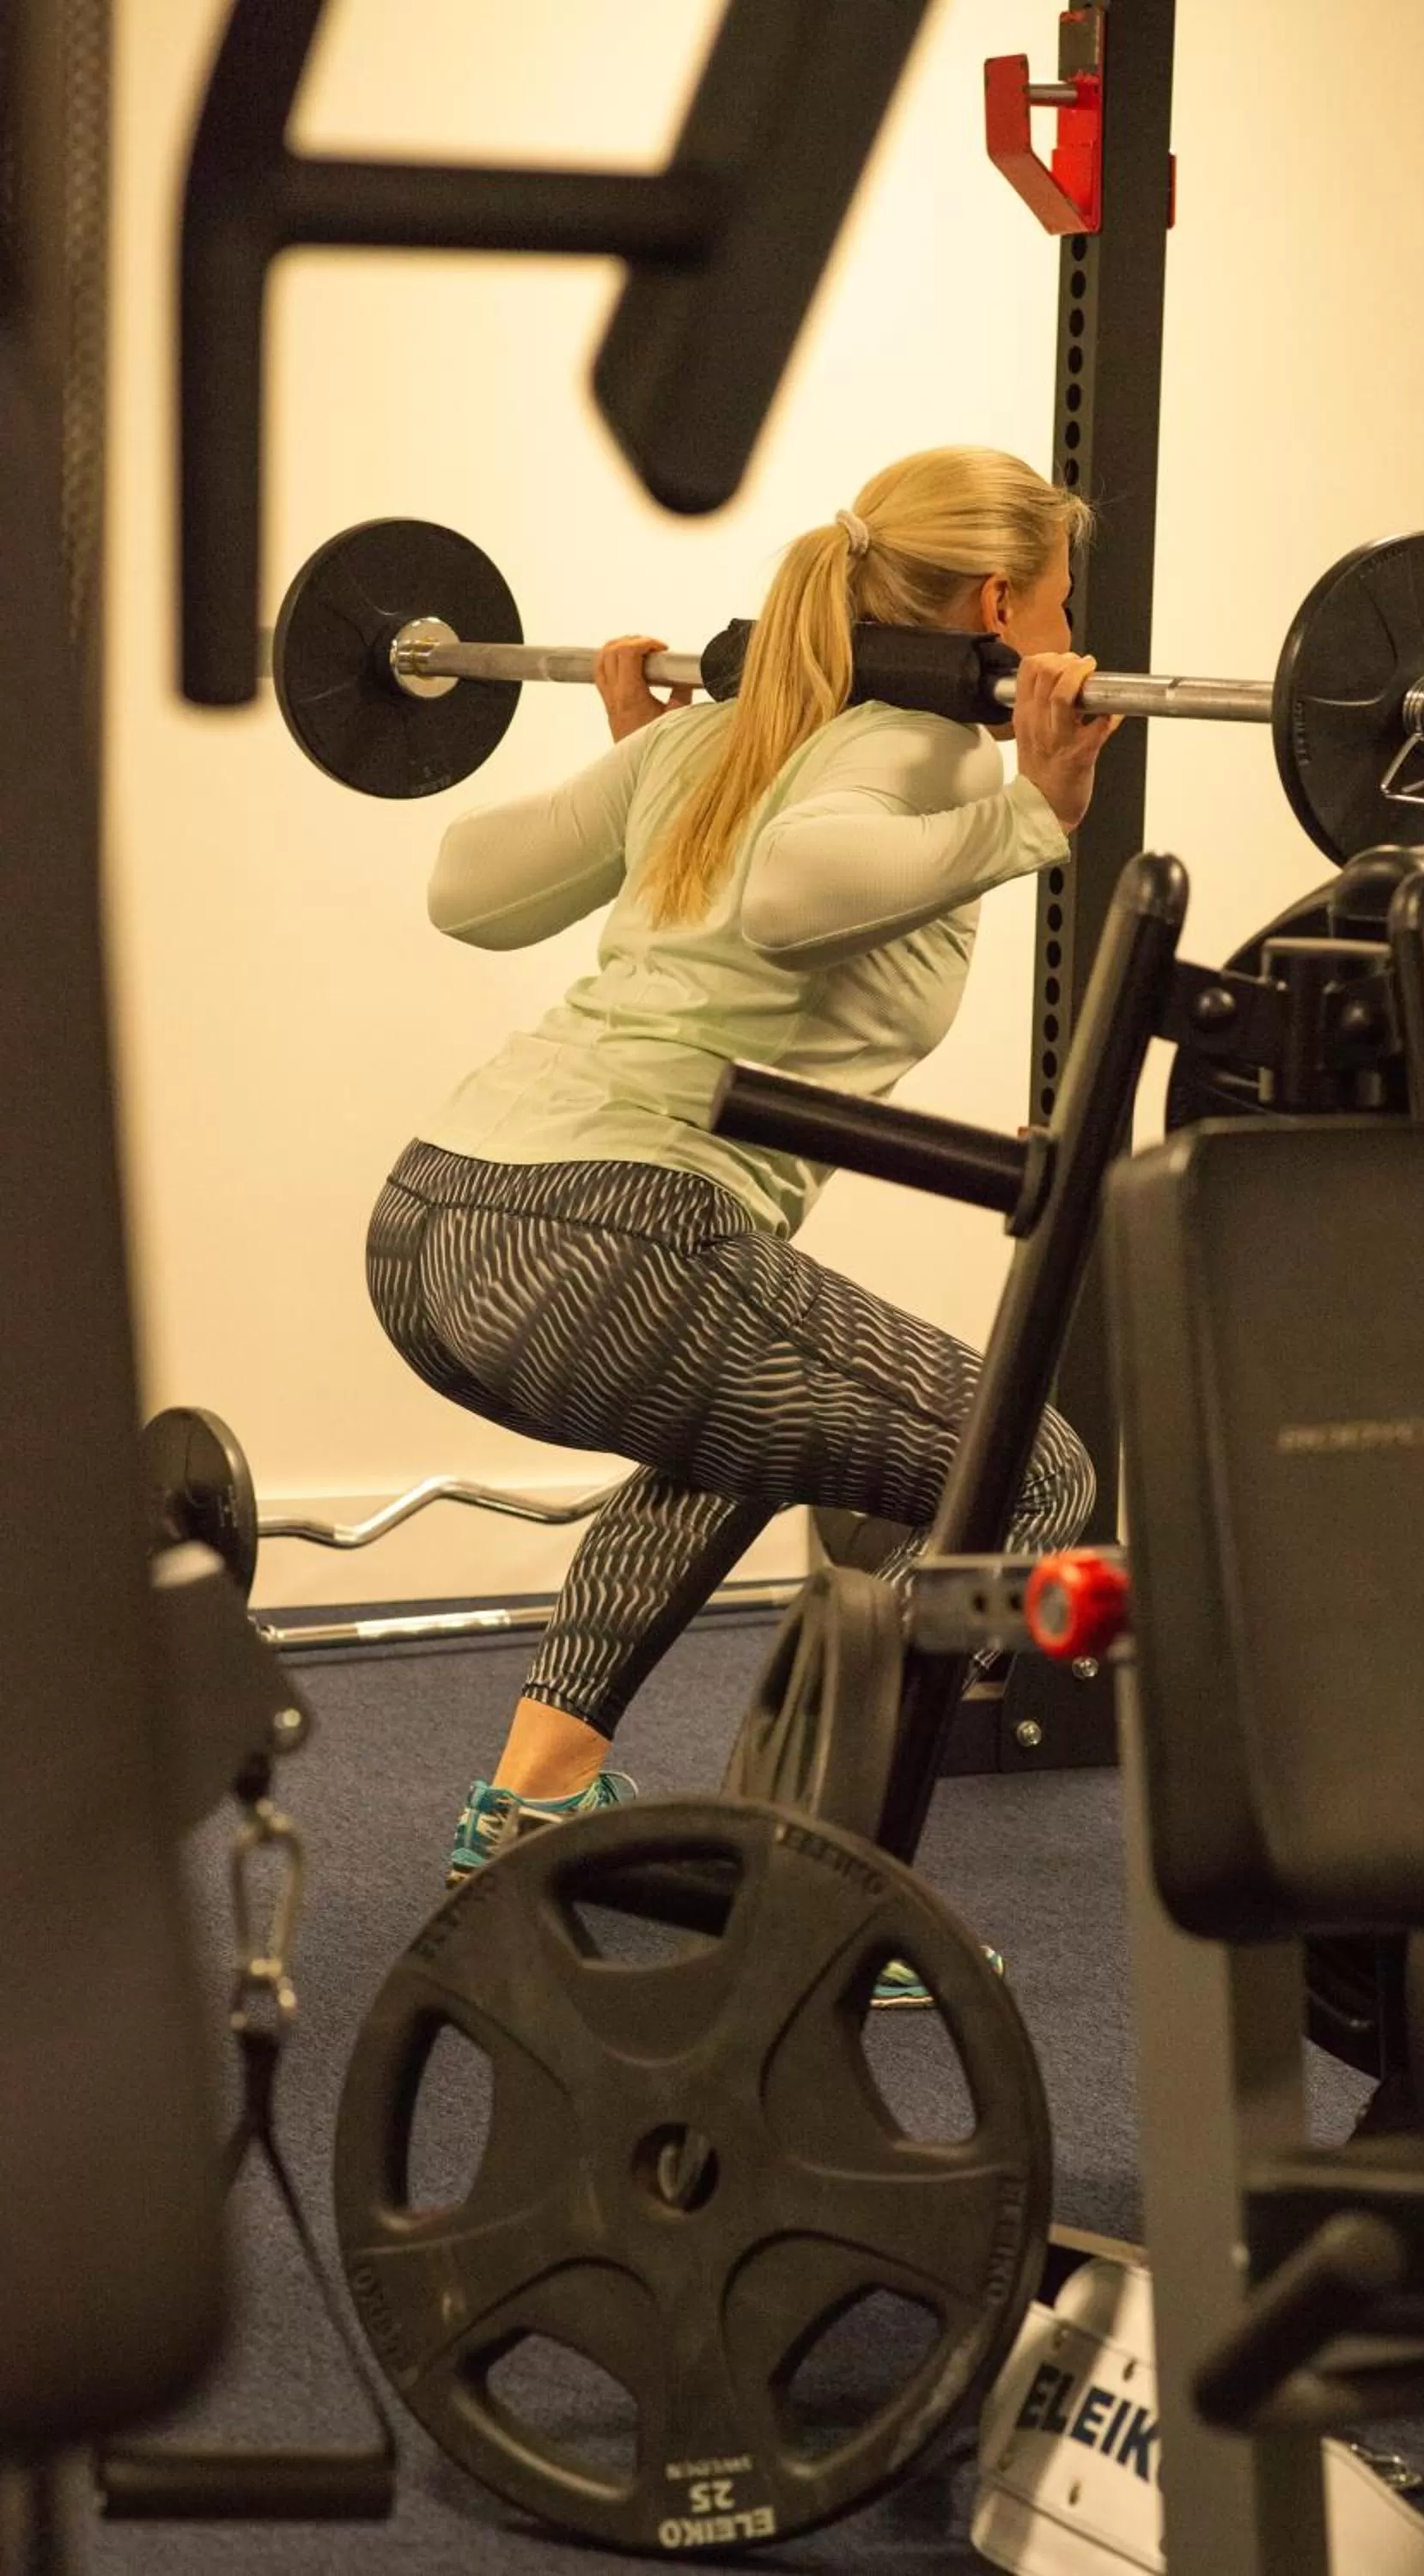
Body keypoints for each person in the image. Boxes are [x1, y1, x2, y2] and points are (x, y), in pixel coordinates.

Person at [364, 445, 1122, 1900]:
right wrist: (1030, 811)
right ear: (996, 601)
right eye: (1061, 600)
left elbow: (468, 887)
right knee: (1035, 1475)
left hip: (432, 1222)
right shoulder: (930, 751)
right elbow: (789, 897)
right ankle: (809, 1884)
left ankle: (536, 1797)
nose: (1072, 635)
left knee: (748, 1425)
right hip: (609, 1243)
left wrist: (632, 754)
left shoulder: (713, 737)